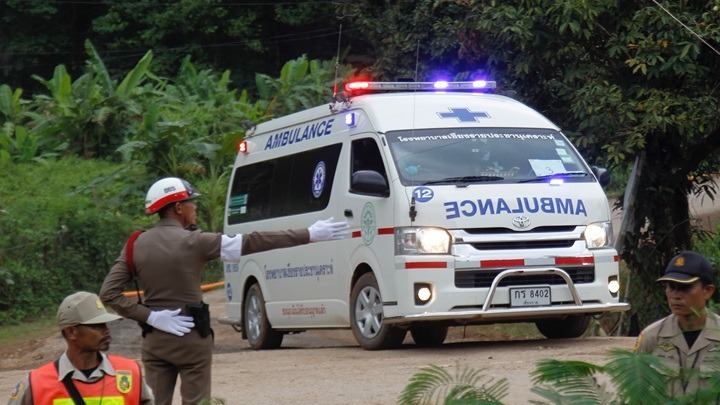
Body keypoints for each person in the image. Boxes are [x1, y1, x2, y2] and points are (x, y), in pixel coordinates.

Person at [99, 177, 349, 405]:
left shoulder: (136, 245)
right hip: (192, 340)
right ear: (177, 208)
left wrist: (152, 317)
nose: (194, 207)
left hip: (154, 342)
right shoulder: (196, 242)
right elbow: (255, 241)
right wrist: (310, 234)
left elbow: (109, 293)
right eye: (190, 203)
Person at [7, 291, 154, 404]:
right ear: (71, 332)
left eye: (105, 324)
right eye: (97, 325)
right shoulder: (36, 383)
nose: (107, 330)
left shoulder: (130, 373)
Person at [634, 250, 720, 394]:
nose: (676, 296)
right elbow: (636, 391)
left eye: (685, 287)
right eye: (671, 287)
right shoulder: (652, 337)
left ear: (707, 291)